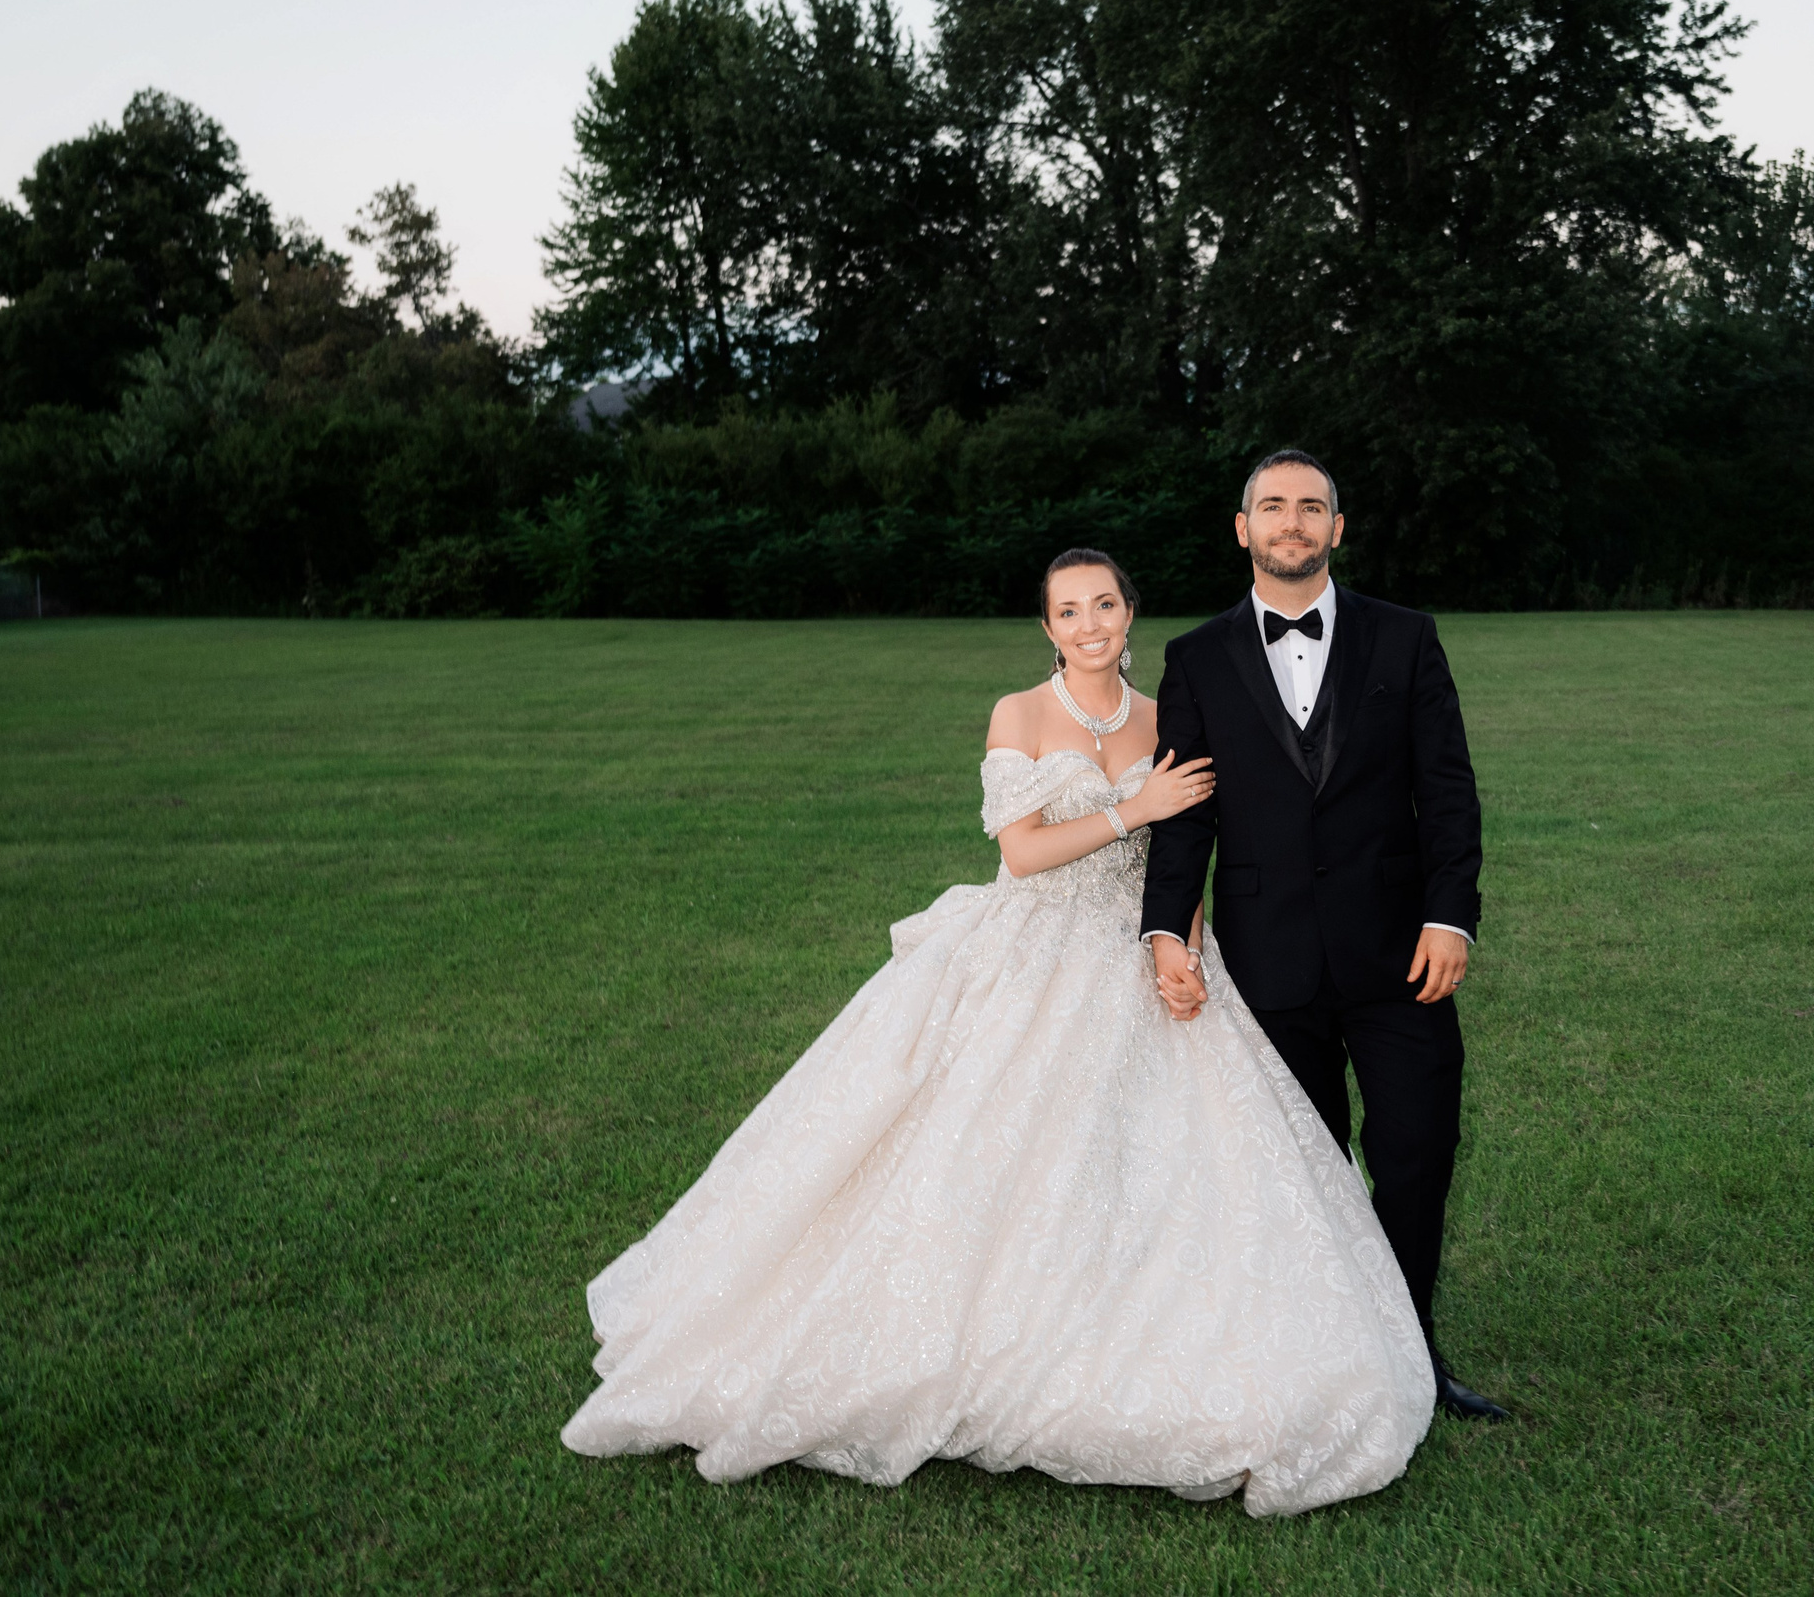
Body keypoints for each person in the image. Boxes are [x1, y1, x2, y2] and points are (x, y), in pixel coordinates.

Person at [559, 548, 1435, 1516]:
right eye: (1070, 610)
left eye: (1105, 603)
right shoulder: (1019, 715)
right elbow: (1021, 854)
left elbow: (1184, 851)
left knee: (1172, 1164)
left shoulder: (1163, 716)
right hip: (1028, 951)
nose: (1091, 623)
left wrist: (1180, 944)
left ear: (1130, 613)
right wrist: (1128, 807)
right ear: (1048, 628)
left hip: (1138, 953)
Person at [1141, 451, 1509, 1422]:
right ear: (1242, 527)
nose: (1292, 522)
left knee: (1417, 1155)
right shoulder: (1196, 657)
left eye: (1311, 507)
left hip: (1400, 954)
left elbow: (1448, 790)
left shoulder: (1406, 639)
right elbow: (1184, 817)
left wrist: (1449, 914)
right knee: (1299, 1172)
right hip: (1265, 960)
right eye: (1273, 507)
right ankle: (1316, 1365)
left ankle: (1413, 1361)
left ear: (1337, 528)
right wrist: (1162, 933)